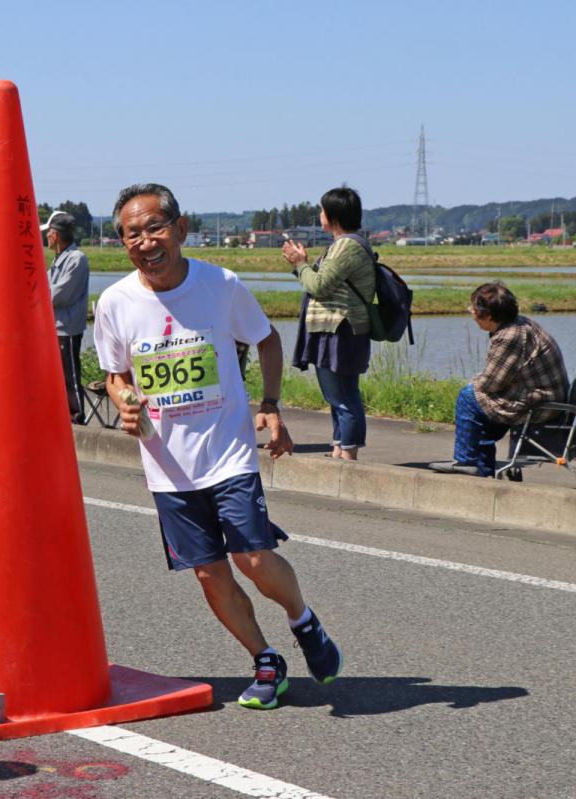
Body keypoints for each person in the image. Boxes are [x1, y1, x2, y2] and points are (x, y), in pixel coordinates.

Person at [94, 183, 341, 710]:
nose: (146, 241)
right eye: (132, 234)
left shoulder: (220, 285)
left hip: (227, 451)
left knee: (252, 557)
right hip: (166, 464)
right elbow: (115, 374)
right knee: (209, 572)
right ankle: (265, 660)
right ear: (122, 243)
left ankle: (302, 619)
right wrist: (124, 402)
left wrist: (272, 404)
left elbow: (267, 339)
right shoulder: (115, 302)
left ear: (181, 229)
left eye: (155, 227)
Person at [429, 282, 568, 477]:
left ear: (489, 315)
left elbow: (491, 384)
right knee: (480, 409)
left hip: (538, 404)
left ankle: (465, 461)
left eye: (474, 309)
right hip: (544, 396)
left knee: (468, 397)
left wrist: (472, 383)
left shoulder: (509, 337)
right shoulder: (520, 323)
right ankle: (482, 471)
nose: (471, 313)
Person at [282, 187, 376, 460]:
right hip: (337, 328)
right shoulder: (345, 244)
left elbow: (319, 286)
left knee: (343, 395)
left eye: (322, 211)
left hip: (340, 329)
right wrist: (303, 264)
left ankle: (348, 453)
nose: (320, 215)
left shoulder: (346, 246)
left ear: (333, 216)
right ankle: (339, 448)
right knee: (338, 395)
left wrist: (300, 265)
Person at [42, 211, 90, 423]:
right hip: (55, 326)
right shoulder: (60, 258)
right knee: (56, 375)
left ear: (56, 235)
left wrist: (36, 295)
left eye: (48, 233)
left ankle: (77, 416)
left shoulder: (76, 259)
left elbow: (58, 295)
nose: (46, 238)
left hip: (67, 327)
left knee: (70, 375)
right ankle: (62, 414)